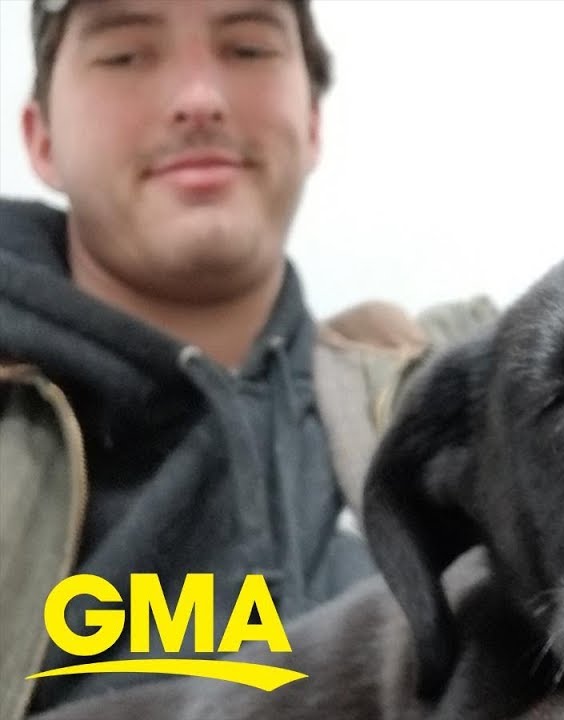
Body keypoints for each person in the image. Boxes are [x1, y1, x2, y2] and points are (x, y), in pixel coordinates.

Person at [0, 2, 493, 718]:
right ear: (41, 140)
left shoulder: (468, 405)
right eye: (126, 55)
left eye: (248, 49)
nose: (198, 100)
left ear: (314, 121)